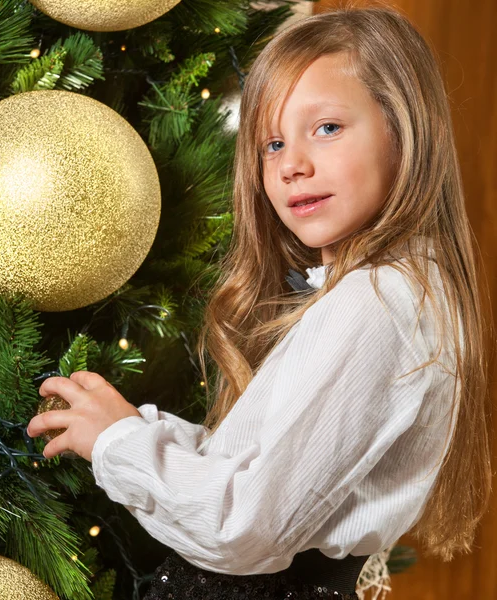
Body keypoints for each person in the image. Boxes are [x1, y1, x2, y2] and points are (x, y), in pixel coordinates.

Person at [26, 4, 494, 599]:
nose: (292, 165)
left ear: (405, 132)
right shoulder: (390, 292)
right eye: (272, 143)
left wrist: (120, 446)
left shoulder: (377, 302)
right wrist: (131, 428)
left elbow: (247, 528)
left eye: (326, 128)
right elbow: (268, 472)